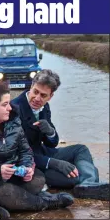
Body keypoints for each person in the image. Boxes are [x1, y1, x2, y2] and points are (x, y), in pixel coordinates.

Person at [0, 82, 74, 219]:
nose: (9, 107)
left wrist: (27, 166)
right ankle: (45, 202)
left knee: (38, 179)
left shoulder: (13, 121)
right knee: (1, 192)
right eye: (4, 104)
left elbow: (26, 150)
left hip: (14, 174)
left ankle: (7, 204)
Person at [12, 69, 109, 201]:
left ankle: (88, 184)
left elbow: (52, 143)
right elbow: (17, 153)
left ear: (50, 96)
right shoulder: (15, 109)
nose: (37, 98)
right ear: (31, 86)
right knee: (77, 175)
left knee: (81, 149)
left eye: (43, 95)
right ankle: (88, 179)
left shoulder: (45, 107)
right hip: (30, 163)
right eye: (35, 92)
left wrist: (50, 131)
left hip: (43, 151)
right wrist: (54, 163)